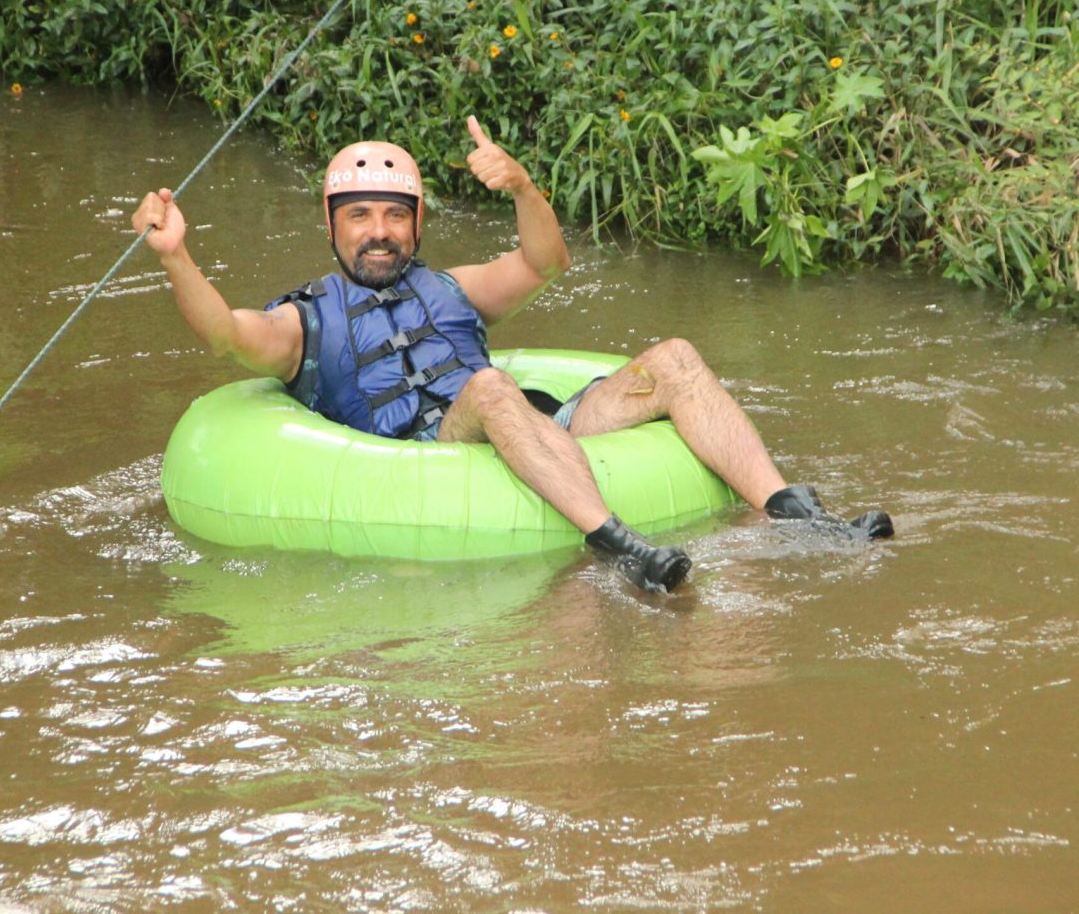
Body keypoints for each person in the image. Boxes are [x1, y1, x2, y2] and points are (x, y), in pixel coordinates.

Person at [132, 116, 893, 594]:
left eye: (394, 216)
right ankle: (619, 546)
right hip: (432, 446)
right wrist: (175, 258)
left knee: (676, 357)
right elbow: (224, 334)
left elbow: (546, 261)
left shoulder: (455, 288)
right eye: (359, 216)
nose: (378, 231)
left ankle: (792, 516)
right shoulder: (303, 323)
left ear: (417, 224)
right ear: (332, 228)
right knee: (492, 387)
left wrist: (523, 186)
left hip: (539, 429)